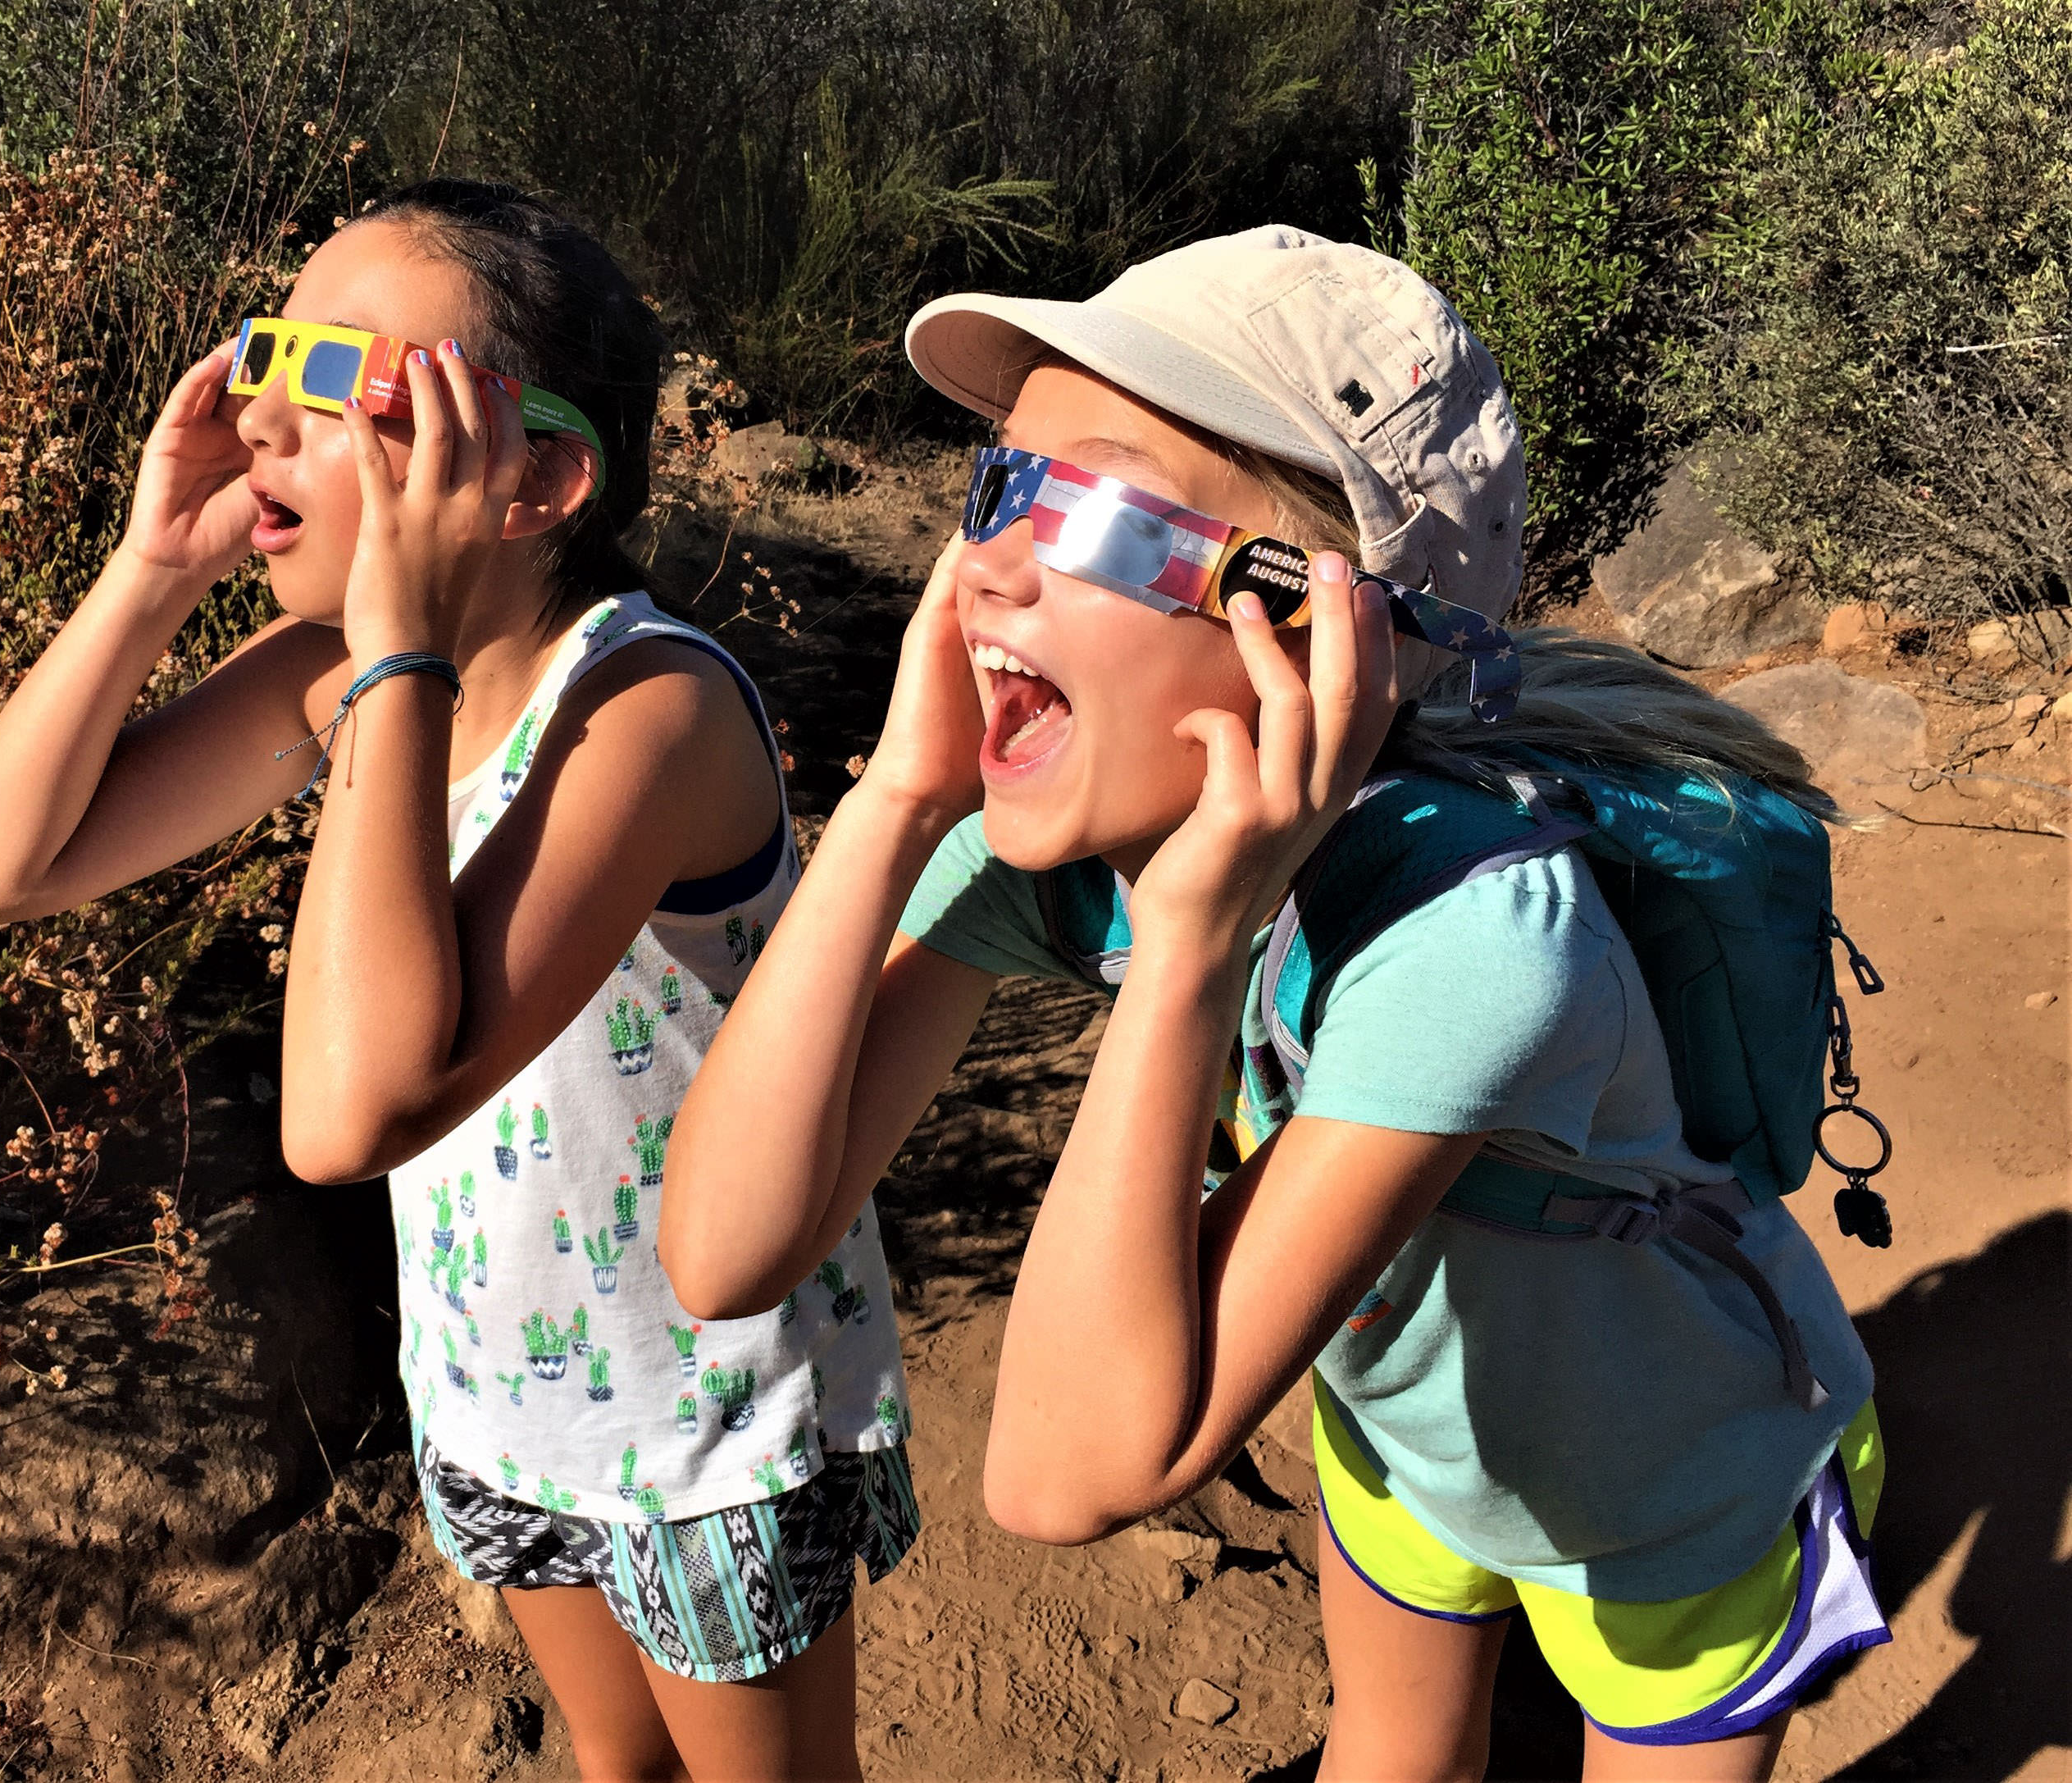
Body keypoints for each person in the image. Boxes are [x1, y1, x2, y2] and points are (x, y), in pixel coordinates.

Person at [661, 227, 1887, 1781]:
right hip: (1406, 1431)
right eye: (1003, 488)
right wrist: (904, 792)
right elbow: (723, 1247)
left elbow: (1057, 1469)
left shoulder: (1481, 941)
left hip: (1667, 1475)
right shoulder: (1091, 838)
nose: (986, 561)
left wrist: (1188, 942)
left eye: (1092, 510)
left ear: (1316, 630)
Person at [0, 179, 910, 1783]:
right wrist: (154, 569)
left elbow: (344, 1111)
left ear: (537, 478)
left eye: (340, 390)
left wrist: (392, 657)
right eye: (267, 368)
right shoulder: (348, 682)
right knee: (616, 1755)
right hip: (499, 1390)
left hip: (701, 1418)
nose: (266, 427)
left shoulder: (646, 713)